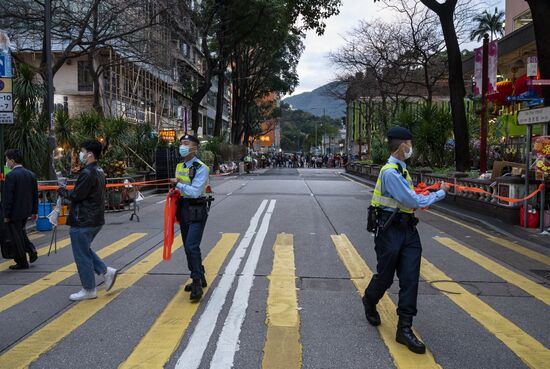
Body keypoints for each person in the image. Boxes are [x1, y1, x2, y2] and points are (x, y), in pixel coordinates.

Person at [363, 127, 449, 354]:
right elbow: (410, 199)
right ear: (402, 147)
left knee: (410, 278)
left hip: (408, 231)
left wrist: (423, 193)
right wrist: (440, 193)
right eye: (410, 144)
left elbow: (410, 197)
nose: (411, 148)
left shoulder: (403, 170)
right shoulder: (390, 172)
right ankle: (370, 300)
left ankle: (405, 328)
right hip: (389, 231)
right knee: (385, 277)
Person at [58, 140, 118, 301]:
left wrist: (63, 192)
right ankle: (106, 271)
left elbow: (77, 196)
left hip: (83, 219)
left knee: (81, 255)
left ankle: (89, 289)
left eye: (82, 151)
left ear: (90, 154)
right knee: (84, 250)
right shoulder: (99, 170)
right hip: (95, 218)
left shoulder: (87, 173)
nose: (81, 154)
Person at [173, 134, 211, 301]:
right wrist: (174, 191)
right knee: (189, 246)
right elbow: (180, 189)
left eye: (186, 143)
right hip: (183, 208)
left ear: (195, 147)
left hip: (197, 209)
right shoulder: (180, 165)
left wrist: (177, 184)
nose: (183, 146)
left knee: (191, 246)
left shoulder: (201, 167)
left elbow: (195, 191)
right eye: (181, 143)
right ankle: (199, 276)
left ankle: (196, 282)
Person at [2, 149, 39, 270]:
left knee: (15, 237)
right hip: (26, 211)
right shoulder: (31, 174)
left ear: (12, 161)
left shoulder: (11, 176)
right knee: (20, 232)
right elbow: (35, 195)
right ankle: (31, 250)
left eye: (7, 160)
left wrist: (6, 215)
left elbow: (8, 198)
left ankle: (22, 262)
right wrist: (34, 211)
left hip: (14, 212)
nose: (6, 162)